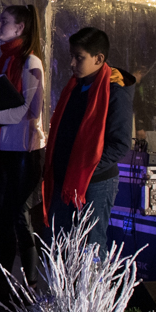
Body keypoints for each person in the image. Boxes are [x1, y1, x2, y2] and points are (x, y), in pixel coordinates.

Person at [0, 4, 46, 288]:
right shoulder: (4, 60)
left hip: (24, 151)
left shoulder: (30, 62)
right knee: (2, 218)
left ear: (20, 27)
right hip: (2, 149)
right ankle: (3, 282)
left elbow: (30, 111)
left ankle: (30, 284)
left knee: (19, 216)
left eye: (3, 21)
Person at [43, 28, 134, 249]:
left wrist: (88, 168)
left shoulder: (115, 91)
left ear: (99, 59)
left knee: (91, 246)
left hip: (95, 182)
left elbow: (120, 143)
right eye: (71, 56)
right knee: (59, 243)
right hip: (65, 178)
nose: (72, 63)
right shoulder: (76, 86)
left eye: (79, 57)